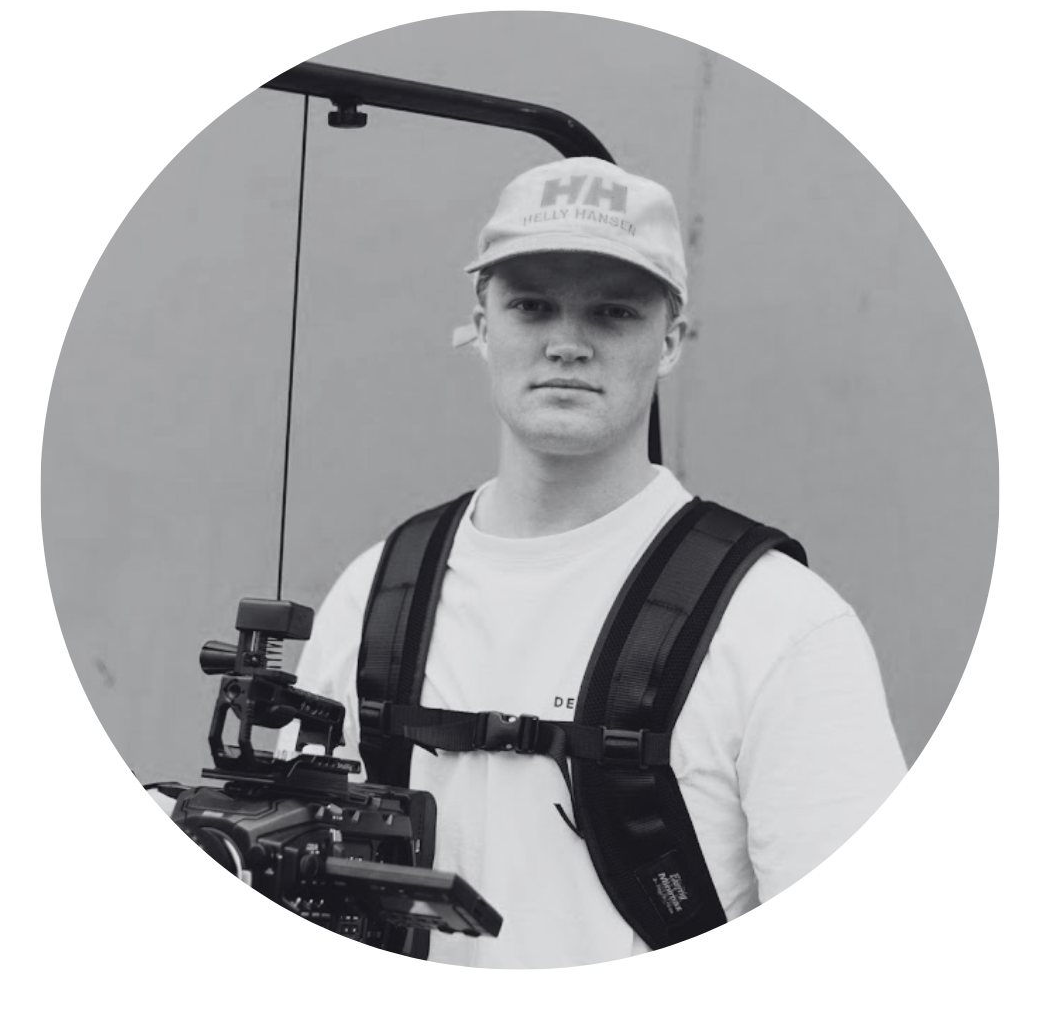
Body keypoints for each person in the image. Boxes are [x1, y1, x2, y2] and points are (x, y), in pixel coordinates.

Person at [274, 156, 908, 968]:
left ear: (670, 341)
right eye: (532, 306)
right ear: (482, 323)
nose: (567, 344)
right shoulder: (376, 594)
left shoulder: (781, 622)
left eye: (612, 312)